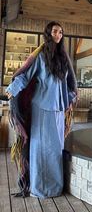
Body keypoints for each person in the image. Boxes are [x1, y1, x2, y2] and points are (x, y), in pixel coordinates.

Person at [6, 21, 77, 198]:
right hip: (42, 107)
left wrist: (71, 96)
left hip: (58, 110)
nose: (58, 35)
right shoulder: (40, 57)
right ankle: (40, 188)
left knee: (56, 149)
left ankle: (55, 187)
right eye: (55, 31)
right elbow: (25, 75)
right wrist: (12, 90)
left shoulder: (63, 58)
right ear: (48, 33)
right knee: (41, 149)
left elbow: (68, 84)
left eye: (61, 32)